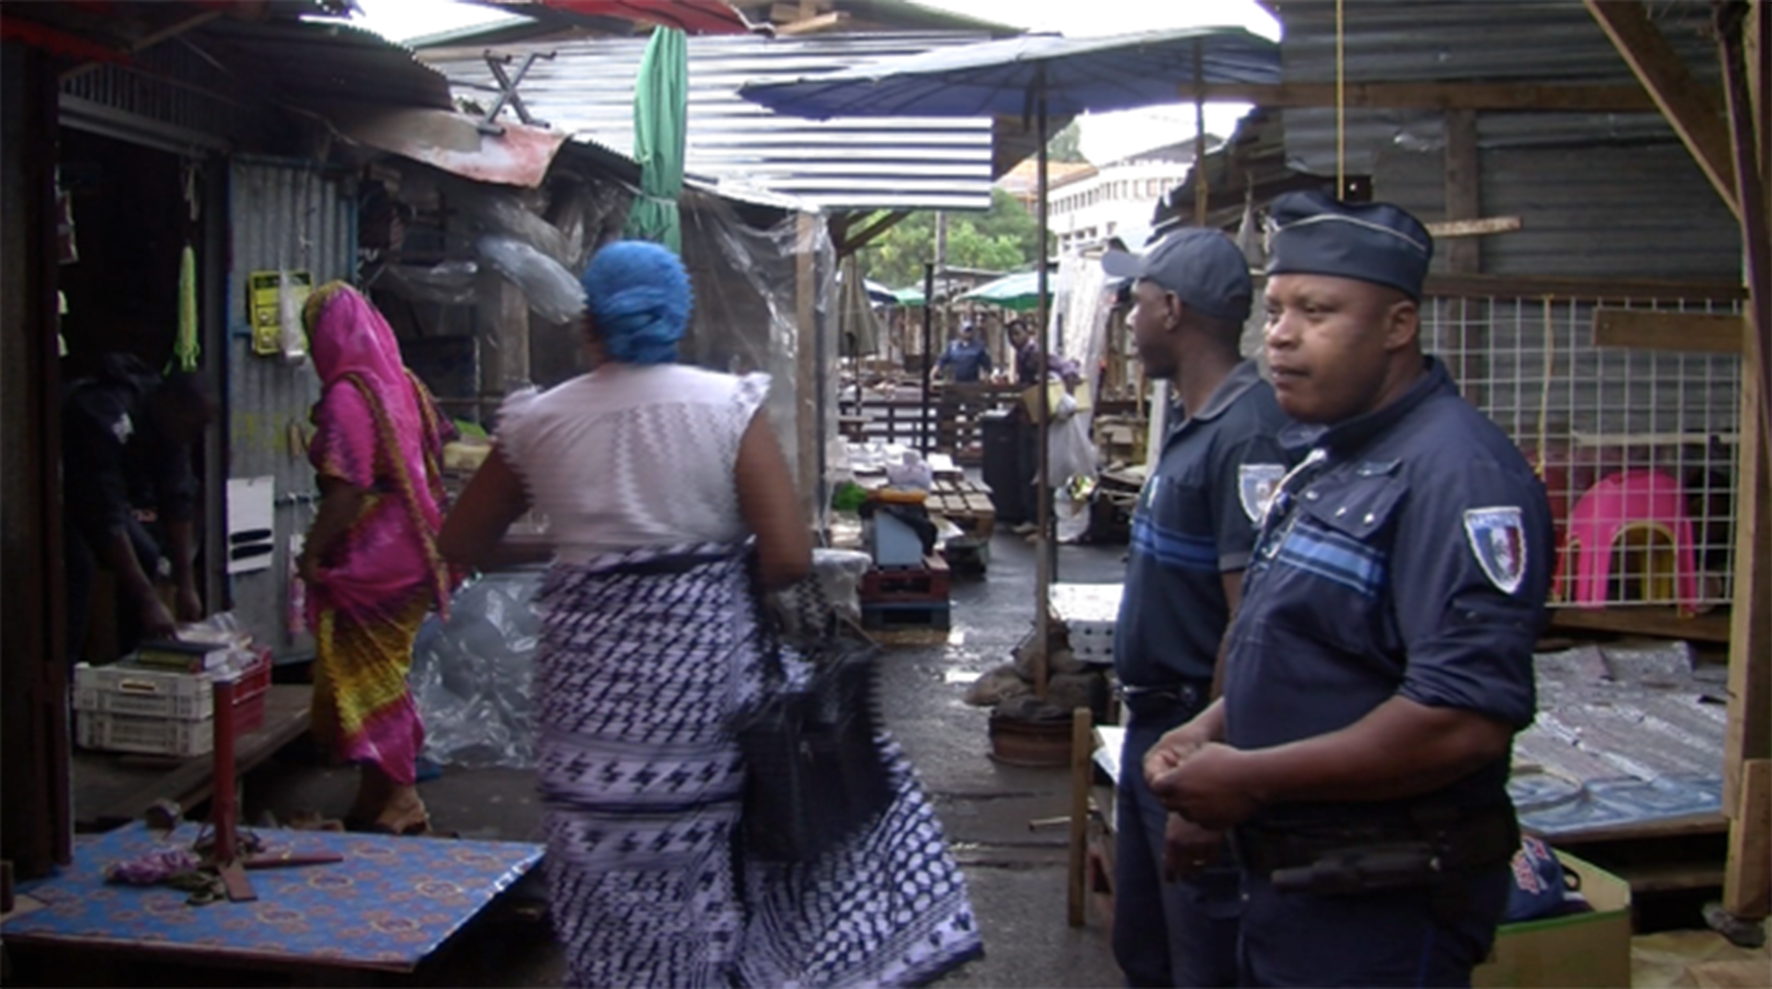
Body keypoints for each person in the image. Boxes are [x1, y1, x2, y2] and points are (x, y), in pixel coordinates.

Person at [438, 241, 982, 989]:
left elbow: (461, 541)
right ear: (677, 317)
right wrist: (693, 571)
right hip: (692, 715)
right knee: (699, 885)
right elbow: (789, 557)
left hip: (585, 724)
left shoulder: (540, 420)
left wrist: (574, 547)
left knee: (600, 894)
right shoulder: (723, 406)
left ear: (588, 320)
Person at [1144, 190, 1553, 988]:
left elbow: (1461, 721)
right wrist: (1216, 727)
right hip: (1295, 885)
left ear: (1399, 325)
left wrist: (1250, 776)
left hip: (1383, 903)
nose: (1282, 338)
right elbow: (1301, 639)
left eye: (1317, 311)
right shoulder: (1327, 460)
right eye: (1275, 310)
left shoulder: (1458, 475)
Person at [1099, 229, 1289, 988]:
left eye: (1137, 301)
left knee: (1201, 959)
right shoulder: (1194, 422)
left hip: (1193, 733)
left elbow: (1252, 624)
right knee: (1147, 951)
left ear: (1172, 309)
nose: (1129, 316)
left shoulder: (1248, 436)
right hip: (1158, 728)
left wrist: (1209, 782)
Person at [297, 283, 456, 836]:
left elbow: (345, 487)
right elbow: (442, 445)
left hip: (370, 561)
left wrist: (311, 555)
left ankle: (403, 796)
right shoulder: (405, 384)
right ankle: (376, 797)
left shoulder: (349, 394)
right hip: (417, 550)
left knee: (364, 679)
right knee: (386, 670)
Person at [63, 353, 217, 664]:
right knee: (78, 570)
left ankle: (134, 658)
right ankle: (66, 676)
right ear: (173, 405)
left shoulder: (173, 425)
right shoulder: (107, 414)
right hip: (67, 496)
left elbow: (178, 501)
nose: (196, 435)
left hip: (110, 502)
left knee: (147, 554)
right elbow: (104, 514)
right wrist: (149, 599)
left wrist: (185, 584)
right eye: (194, 424)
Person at [932, 320, 992, 384]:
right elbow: (942, 361)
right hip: (955, 383)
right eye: (965, 330)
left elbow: (987, 365)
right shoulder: (953, 346)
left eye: (969, 330)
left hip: (973, 384)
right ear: (961, 331)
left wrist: (989, 376)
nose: (968, 333)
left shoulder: (979, 347)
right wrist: (933, 373)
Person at [1007, 319, 1042, 386]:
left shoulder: (1035, 351)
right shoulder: (1020, 353)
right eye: (1010, 336)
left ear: (1026, 332)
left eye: (1017, 333)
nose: (1013, 338)